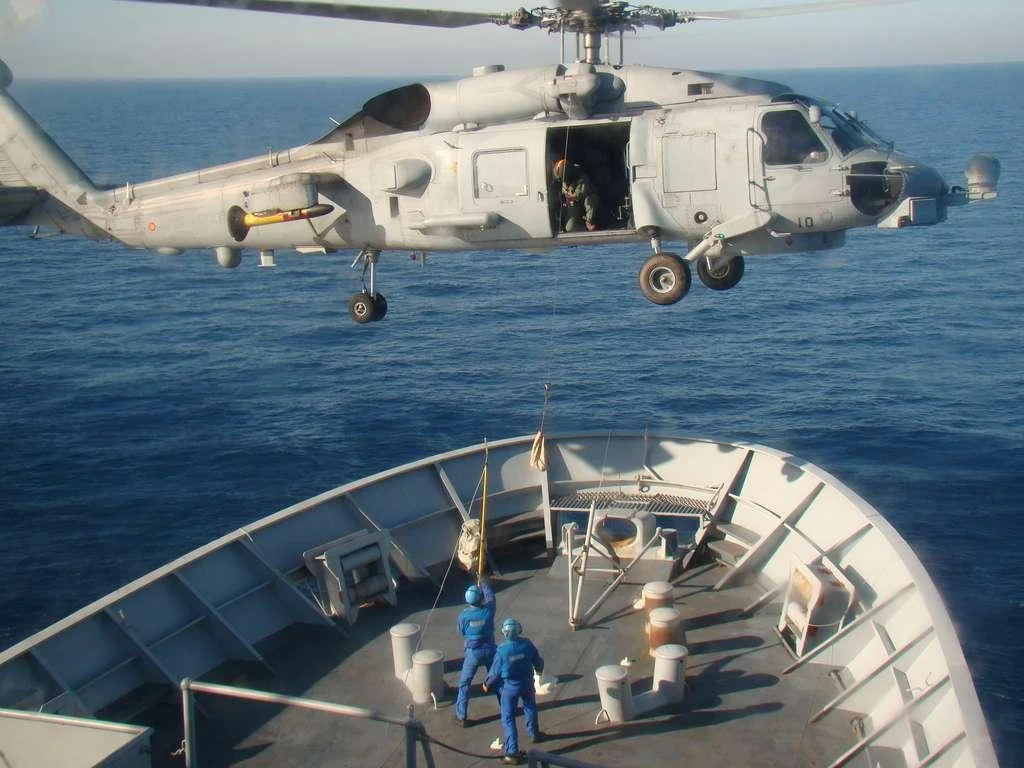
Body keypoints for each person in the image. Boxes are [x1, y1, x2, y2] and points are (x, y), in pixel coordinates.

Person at [483, 618, 545, 765]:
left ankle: (512, 751)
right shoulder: (527, 644)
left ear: (504, 633)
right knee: (530, 707)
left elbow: (495, 672)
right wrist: (539, 670)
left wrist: (486, 684)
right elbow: (538, 661)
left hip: (510, 687)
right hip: (527, 683)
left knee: (508, 717)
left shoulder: (502, 651)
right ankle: (534, 733)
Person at [455, 577, 497, 726]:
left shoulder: (464, 616)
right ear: (480, 598)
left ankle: (461, 716)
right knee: (497, 678)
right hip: (490, 649)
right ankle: (507, 707)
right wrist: (484, 583)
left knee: (465, 683)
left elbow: (461, 632)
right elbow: (491, 597)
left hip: (473, 652)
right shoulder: (489, 610)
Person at [553, 158, 599, 233]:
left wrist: (567, 197)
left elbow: (579, 195)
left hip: (585, 202)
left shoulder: (582, 177)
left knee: (590, 200)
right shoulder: (563, 181)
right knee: (570, 228)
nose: (563, 181)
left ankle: (590, 221)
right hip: (574, 204)